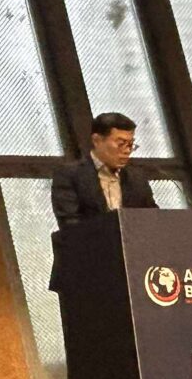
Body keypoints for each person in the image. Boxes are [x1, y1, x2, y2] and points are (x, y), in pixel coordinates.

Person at [49, 112, 159, 293]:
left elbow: (151, 217)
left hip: (134, 271)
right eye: (121, 143)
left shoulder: (137, 178)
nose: (127, 151)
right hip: (85, 271)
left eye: (131, 145)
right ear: (97, 140)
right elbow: (70, 223)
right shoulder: (70, 175)